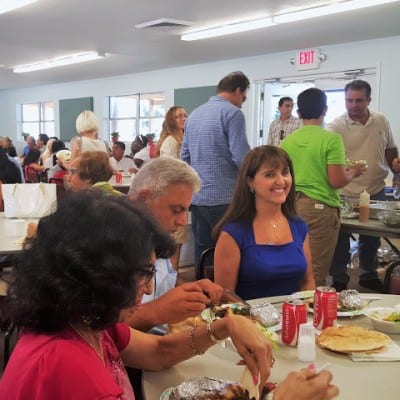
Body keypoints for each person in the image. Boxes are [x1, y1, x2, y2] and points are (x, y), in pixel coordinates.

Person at [0, 191, 279, 399]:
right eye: (144, 273)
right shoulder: (74, 370)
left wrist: (225, 325)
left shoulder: (85, 322)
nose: (148, 288)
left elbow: (158, 352)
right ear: (98, 274)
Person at [126, 157, 224, 332]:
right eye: (176, 210)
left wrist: (190, 290)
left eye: (186, 210)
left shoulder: (157, 239)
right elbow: (100, 329)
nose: (182, 221)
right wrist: (157, 311)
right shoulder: (106, 246)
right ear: (143, 198)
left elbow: (162, 284)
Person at [281, 88, 365, 287]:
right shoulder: (331, 139)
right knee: (315, 270)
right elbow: (336, 180)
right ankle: (308, 315)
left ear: (299, 113)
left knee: (292, 263)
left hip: (291, 206)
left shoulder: (288, 141)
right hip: (318, 209)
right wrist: (353, 172)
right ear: (325, 110)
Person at [213, 145, 315, 300]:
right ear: (250, 182)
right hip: (249, 320)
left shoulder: (299, 226)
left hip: (294, 318)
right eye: (270, 175)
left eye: (285, 172)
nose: (281, 181)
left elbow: (307, 282)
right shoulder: (233, 233)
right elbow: (224, 296)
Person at [327, 80, 400, 292]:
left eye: (359, 100)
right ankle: (339, 278)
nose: (353, 105)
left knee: (372, 238)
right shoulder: (335, 126)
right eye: (349, 100)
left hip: (375, 188)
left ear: (368, 100)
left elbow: (390, 149)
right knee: (340, 237)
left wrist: (395, 167)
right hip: (344, 191)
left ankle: (368, 274)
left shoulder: (381, 121)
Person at [181, 71, 251, 278]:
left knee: (203, 253)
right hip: (226, 199)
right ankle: (226, 302)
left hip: (199, 198)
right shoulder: (233, 114)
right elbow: (241, 158)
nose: (242, 103)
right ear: (238, 91)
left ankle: (202, 300)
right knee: (229, 251)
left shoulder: (194, 115)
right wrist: (255, 180)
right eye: (244, 97)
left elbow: (184, 157)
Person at [156, 106, 189, 269]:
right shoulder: (170, 142)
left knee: (178, 241)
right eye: (178, 117)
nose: (183, 119)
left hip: (182, 194)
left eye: (185, 115)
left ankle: (173, 276)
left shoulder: (184, 138)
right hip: (173, 196)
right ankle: (170, 278)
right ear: (171, 121)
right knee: (173, 241)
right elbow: (167, 171)